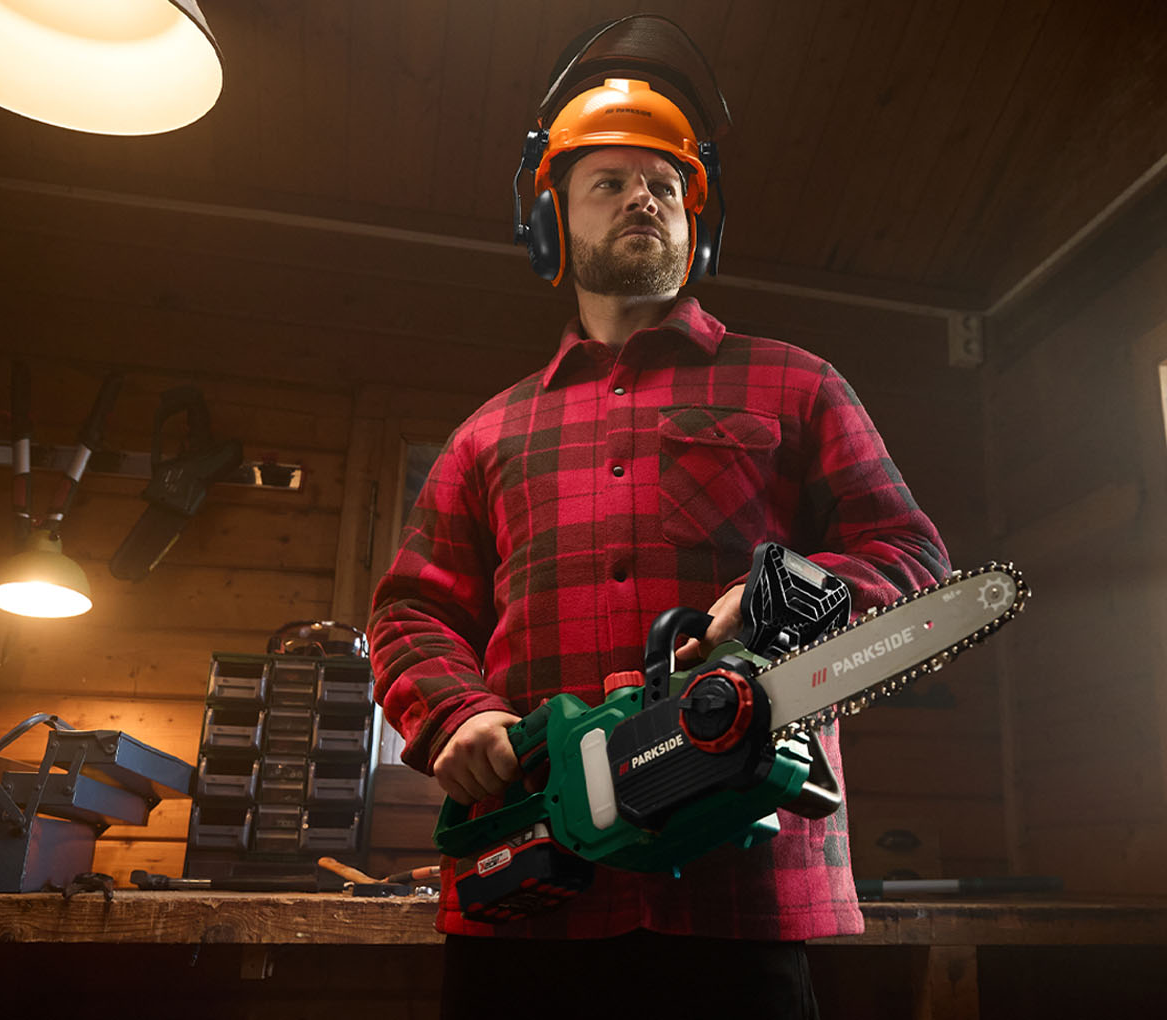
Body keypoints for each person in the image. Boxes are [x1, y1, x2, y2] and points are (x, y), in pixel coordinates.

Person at [367, 30, 948, 1020]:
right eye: (609, 183)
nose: (643, 198)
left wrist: (790, 601)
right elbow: (410, 614)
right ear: (552, 222)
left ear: (695, 224)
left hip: (740, 882)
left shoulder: (796, 382)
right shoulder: (487, 434)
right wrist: (454, 714)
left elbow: (916, 561)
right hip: (532, 880)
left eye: (664, 186)